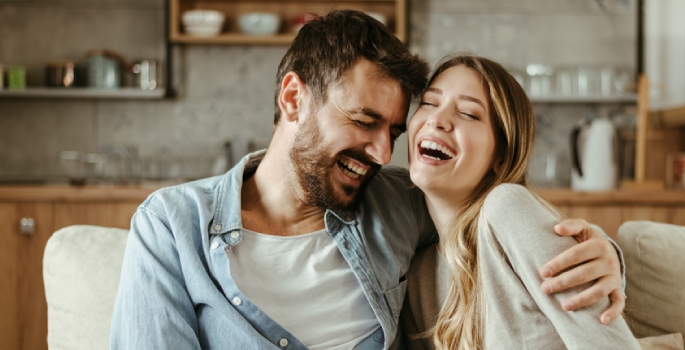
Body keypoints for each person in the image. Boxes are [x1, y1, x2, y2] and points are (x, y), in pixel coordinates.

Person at [111, 10, 626, 349]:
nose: (383, 152)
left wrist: (606, 252)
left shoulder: (397, 203)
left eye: (394, 130)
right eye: (363, 122)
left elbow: (490, 223)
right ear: (293, 98)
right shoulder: (173, 226)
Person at [400, 55, 641, 349]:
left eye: (469, 113)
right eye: (429, 102)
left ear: (501, 157)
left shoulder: (506, 208)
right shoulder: (417, 276)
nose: (437, 120)